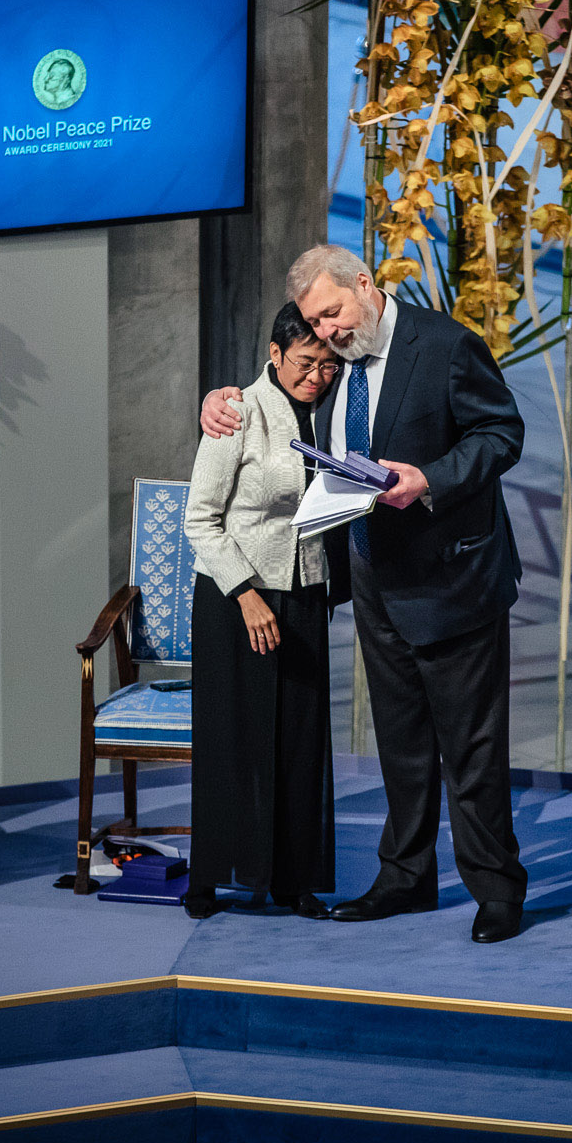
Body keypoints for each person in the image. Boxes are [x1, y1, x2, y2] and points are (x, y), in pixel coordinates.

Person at [200, 244, 528, 944]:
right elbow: (275, 390)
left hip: (454, 580)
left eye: (334, 313)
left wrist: (430, 479)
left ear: (365, 285)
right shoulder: (333, 359)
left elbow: (502, 433)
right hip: (377, 581)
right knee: (402, 746)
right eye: (317, 323)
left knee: (471, 750)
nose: (328, 332)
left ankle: (497, 889)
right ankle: (406, 876)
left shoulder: (444, 345)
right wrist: (220, 400)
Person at [180, 303, 343, 921]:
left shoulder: (329, 416)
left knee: (300, 742)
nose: (317, 376)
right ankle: (210, 880)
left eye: (328, 366)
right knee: (234, 743)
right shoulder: (237, 414)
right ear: (275, 355)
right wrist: (247, 595)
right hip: (236, 600)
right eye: (306, 363)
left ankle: (293, 880)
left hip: (303, 592)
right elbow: (201, 520)